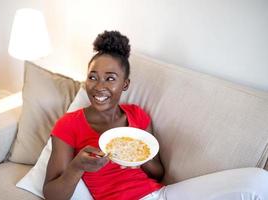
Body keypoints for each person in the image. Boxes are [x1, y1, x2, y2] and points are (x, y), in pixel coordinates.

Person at [43, 30, 268, 200]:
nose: (98, 86)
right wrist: (77, 167)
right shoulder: (69, 124)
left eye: (110, 78)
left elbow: (158, 172)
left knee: (258, 180)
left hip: (161, 195)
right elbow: (51, 193)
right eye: (93, 76)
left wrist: (138, 156)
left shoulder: (137, 116)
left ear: (125, 84)